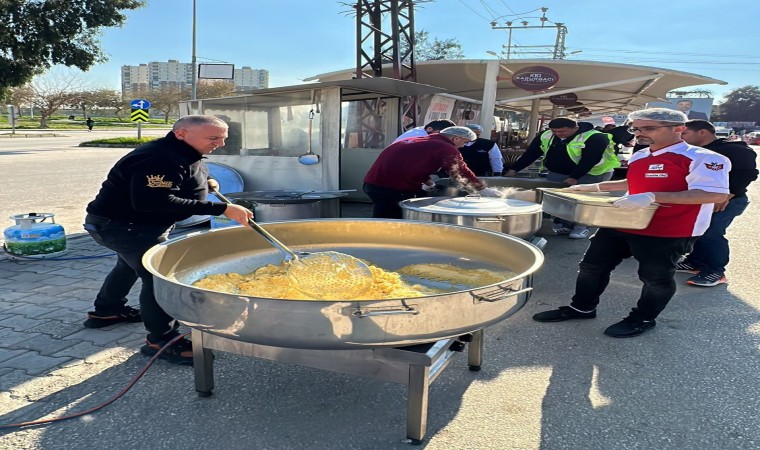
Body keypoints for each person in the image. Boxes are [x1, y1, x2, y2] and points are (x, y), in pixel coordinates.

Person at [532, 108, 730, 338]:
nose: (639, 133)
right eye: (636, 128)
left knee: (655, 278)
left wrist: (653, 196)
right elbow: (633, 181)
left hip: (670, 228)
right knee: (592, 267)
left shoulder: (705, 158)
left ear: (679, 129)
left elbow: (713, 195)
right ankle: (582, 307)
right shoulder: (641, 154)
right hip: (623, 220)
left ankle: (643, 318)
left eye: (648, 128)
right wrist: (596, 187)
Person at [83, 115, 254, 365]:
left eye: (223, 138)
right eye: (213, 138)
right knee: (158, 277)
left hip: (127, 226)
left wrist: (205, 181)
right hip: (125, 226)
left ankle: (107, 312)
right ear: (182, 134)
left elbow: (186, 171)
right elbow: (153, 202)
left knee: (127, 265)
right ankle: (161, 340)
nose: (220, 143)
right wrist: (222, 210)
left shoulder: (182, 151)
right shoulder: (159, 158)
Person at [504, 118, 620, 239]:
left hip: (594, 172)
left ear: (575, 128)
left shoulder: (595, 137)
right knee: (560, 199)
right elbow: (531, 153)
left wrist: (574, 177)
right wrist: (514, 169)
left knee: (584, 200)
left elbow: (590, 160)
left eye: (562, 131)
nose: (558, 134)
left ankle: (582, 226)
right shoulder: (546, 135)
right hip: (559, 172)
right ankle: (565, 224)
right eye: (554, 131)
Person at [677, 120, 758, 286]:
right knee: (699, 231)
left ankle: (716, 270)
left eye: (684, 133)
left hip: (729, 200)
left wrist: (727, 195)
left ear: (702, 132)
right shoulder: (697, 151)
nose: (681, 137)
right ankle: (695, 262)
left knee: (712, 233)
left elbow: (748, 174)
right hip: (702, 199)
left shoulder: (733, 149)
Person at [363, 126, 498, 219]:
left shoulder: (419, 140)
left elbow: (410, 164)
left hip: (372, 184)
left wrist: (427, 181)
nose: (463, 146)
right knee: (391, 221)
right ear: (456, 138)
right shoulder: (445, 147)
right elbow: (460, 171)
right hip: (393, 189)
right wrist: (482, 189)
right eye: (465, 142)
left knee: (382, 215)